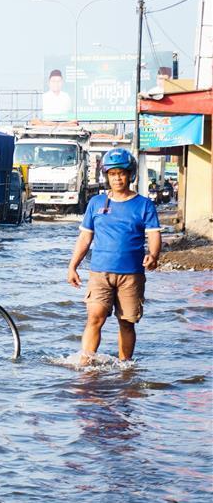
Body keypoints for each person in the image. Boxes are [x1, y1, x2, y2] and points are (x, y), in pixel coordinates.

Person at [67, 148, 161, 363]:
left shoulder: (144, 205)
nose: (117, 178)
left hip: (132, 275)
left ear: (131, 175)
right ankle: (86, 364)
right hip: (100, 273)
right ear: (106, 176)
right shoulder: (96, 203)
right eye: (112, 173)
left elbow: (154, 235)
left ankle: (125, 367)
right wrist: (73, 266)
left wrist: (153, 255)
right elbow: (85, 238)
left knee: (127, 322)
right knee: (95, 317)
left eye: (122, 173)